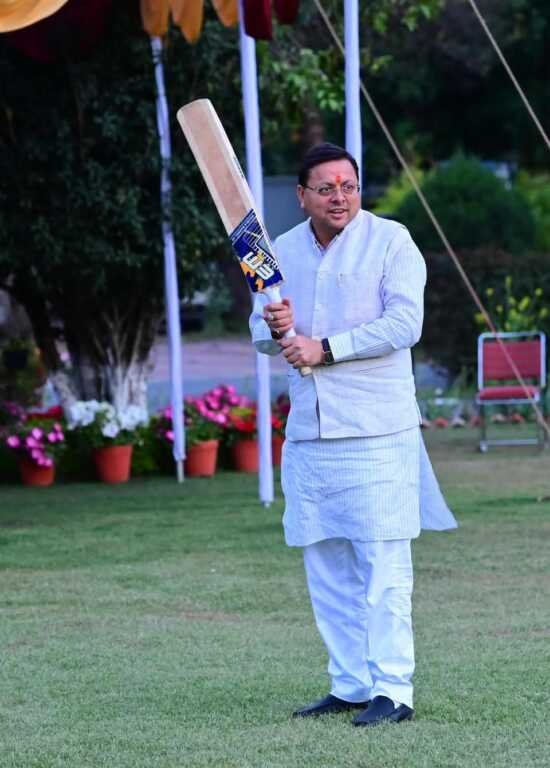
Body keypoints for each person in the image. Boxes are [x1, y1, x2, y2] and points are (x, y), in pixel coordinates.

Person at [249, 142, 457, 727]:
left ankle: (393, 689)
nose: (339, 197)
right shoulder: (279, 250)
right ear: (302, 195)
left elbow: (405, 323)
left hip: (377, 428)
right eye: (326, 188)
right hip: (310, 431)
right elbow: (260, 332)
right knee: (325, 565)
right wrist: (275, 327)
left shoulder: (392, 240)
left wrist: (325, 347)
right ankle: (349, 683)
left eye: (349, 186)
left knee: (383, 565)